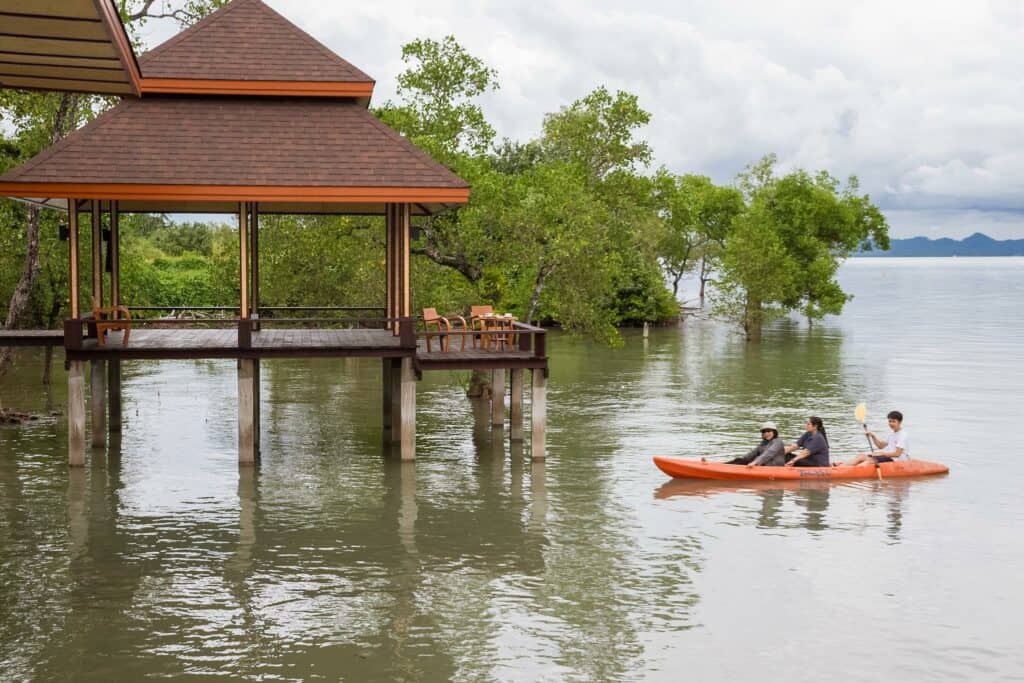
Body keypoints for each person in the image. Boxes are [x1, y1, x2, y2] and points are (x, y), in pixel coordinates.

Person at [837, 411, 910, 467]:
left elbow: (897, 454)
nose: (891, 423)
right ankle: (839, 469)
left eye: (893, 421)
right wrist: (873, 436)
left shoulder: (902, 435)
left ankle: (847, 472)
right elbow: (880, 446)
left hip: (898, 461)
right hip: (889, 457)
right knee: (861, 456)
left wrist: (881, 454)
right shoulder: (891, 433)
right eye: (889, 421)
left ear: (900, 422)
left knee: (869, 461)